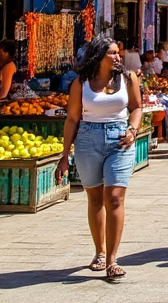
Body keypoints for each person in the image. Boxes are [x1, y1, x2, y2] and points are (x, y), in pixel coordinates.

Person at [57, 35, 144, 281]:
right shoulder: (81, 83)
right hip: (88, 140)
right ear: (98, 56)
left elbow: (137, 107)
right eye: (112, 53)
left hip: (120, 139)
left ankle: (113, 260)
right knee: (95, 199)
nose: (118, 57)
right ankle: (100, 252)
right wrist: (64, 156)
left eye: (118, 52)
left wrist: (133, 130)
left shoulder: (128, 78)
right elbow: (72, 119)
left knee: (114, 197)